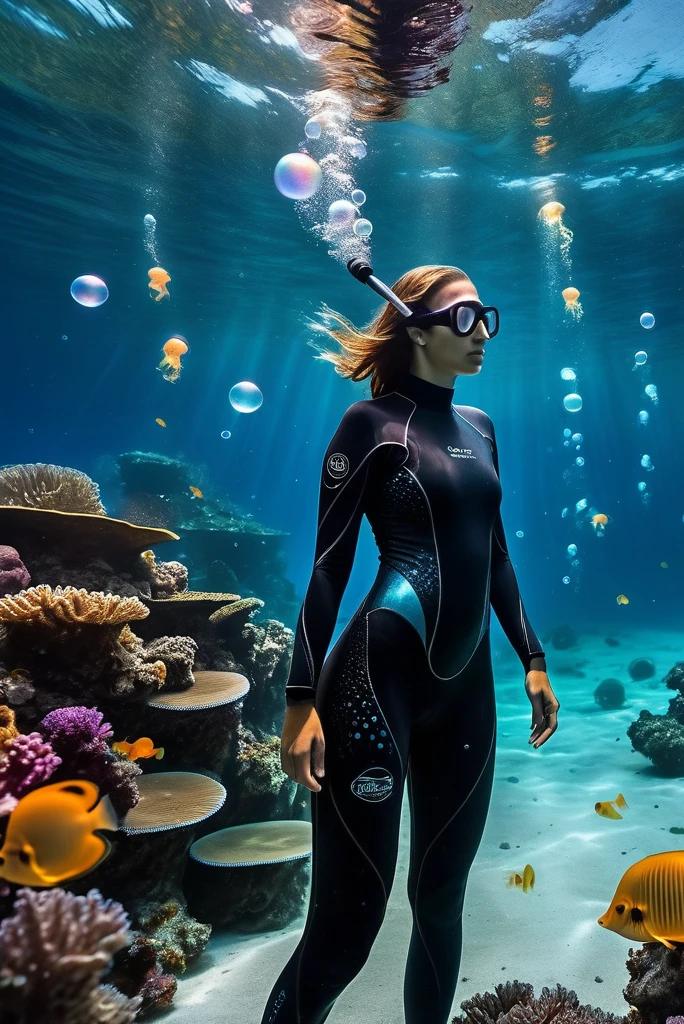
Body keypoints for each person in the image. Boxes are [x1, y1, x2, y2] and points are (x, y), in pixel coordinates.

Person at [262, 265, 560, 1024]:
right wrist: (299, 703)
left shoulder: (482, 429)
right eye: (463, 319)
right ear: (415, 325)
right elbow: (329, 569)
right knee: (347, 927)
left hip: (468, 692)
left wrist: (533, 660)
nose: (482, 333)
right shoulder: (368, 425)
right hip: (372, 686)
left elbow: (494, 555)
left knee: (441, 902)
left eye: (486, 316)